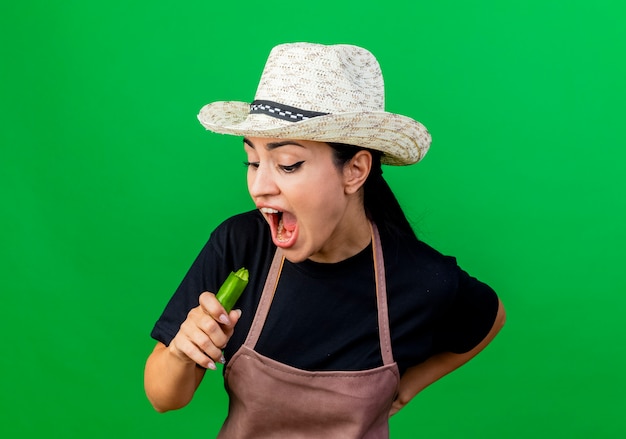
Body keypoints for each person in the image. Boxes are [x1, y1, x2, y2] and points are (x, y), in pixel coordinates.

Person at [144, 42, 506, 438]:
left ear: (355, 170)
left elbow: (491, 316)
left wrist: (406, 388)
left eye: (287, 164)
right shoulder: (240, 244)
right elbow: (164, 399)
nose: (259, 186)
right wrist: (182, 350)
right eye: (252, 161)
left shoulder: (418, 276)